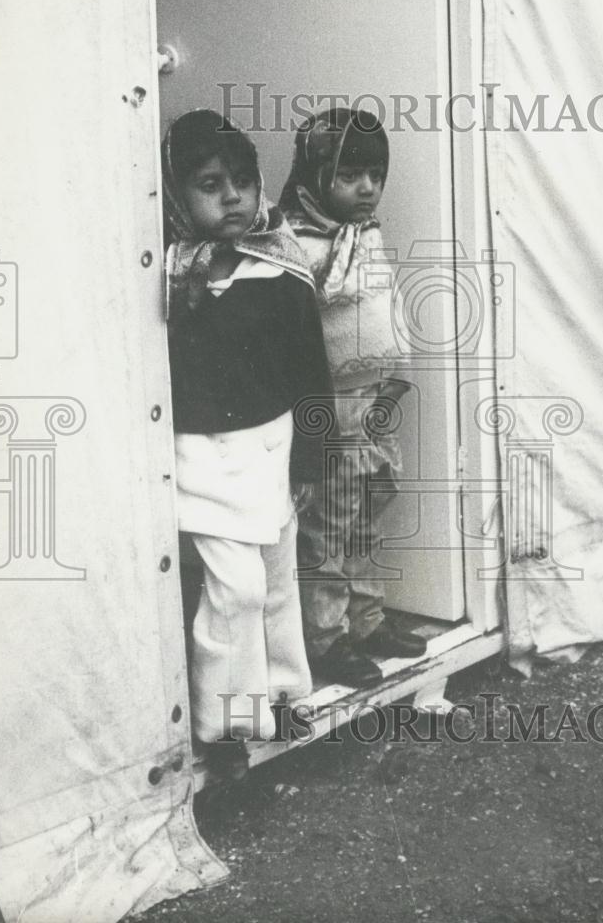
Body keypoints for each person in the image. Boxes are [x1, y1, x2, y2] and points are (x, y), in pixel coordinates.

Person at [163, 109, 333, 778]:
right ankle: (227, 722)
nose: (231, 197)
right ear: (178, 196)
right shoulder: (172, 280)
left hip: (271, 450)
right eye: (209, 184)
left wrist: (313, 454)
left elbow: (309, 373)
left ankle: (287, 693)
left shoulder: (279, 270)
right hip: (201, 458)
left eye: (241, 180)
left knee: (277, 580)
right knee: (233, 589)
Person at [279, 107, 426, 689]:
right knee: (328, 527)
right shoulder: (297, 244)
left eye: (376, 174)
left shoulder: (366, 235)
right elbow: (294, 335)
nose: (367, 188)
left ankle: (368, 621)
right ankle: (327, 639)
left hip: (375, 400)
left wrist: (397, 371)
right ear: (315, 176)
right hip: (332, 406)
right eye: (349, 175)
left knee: (368, 516)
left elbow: (382, 306)